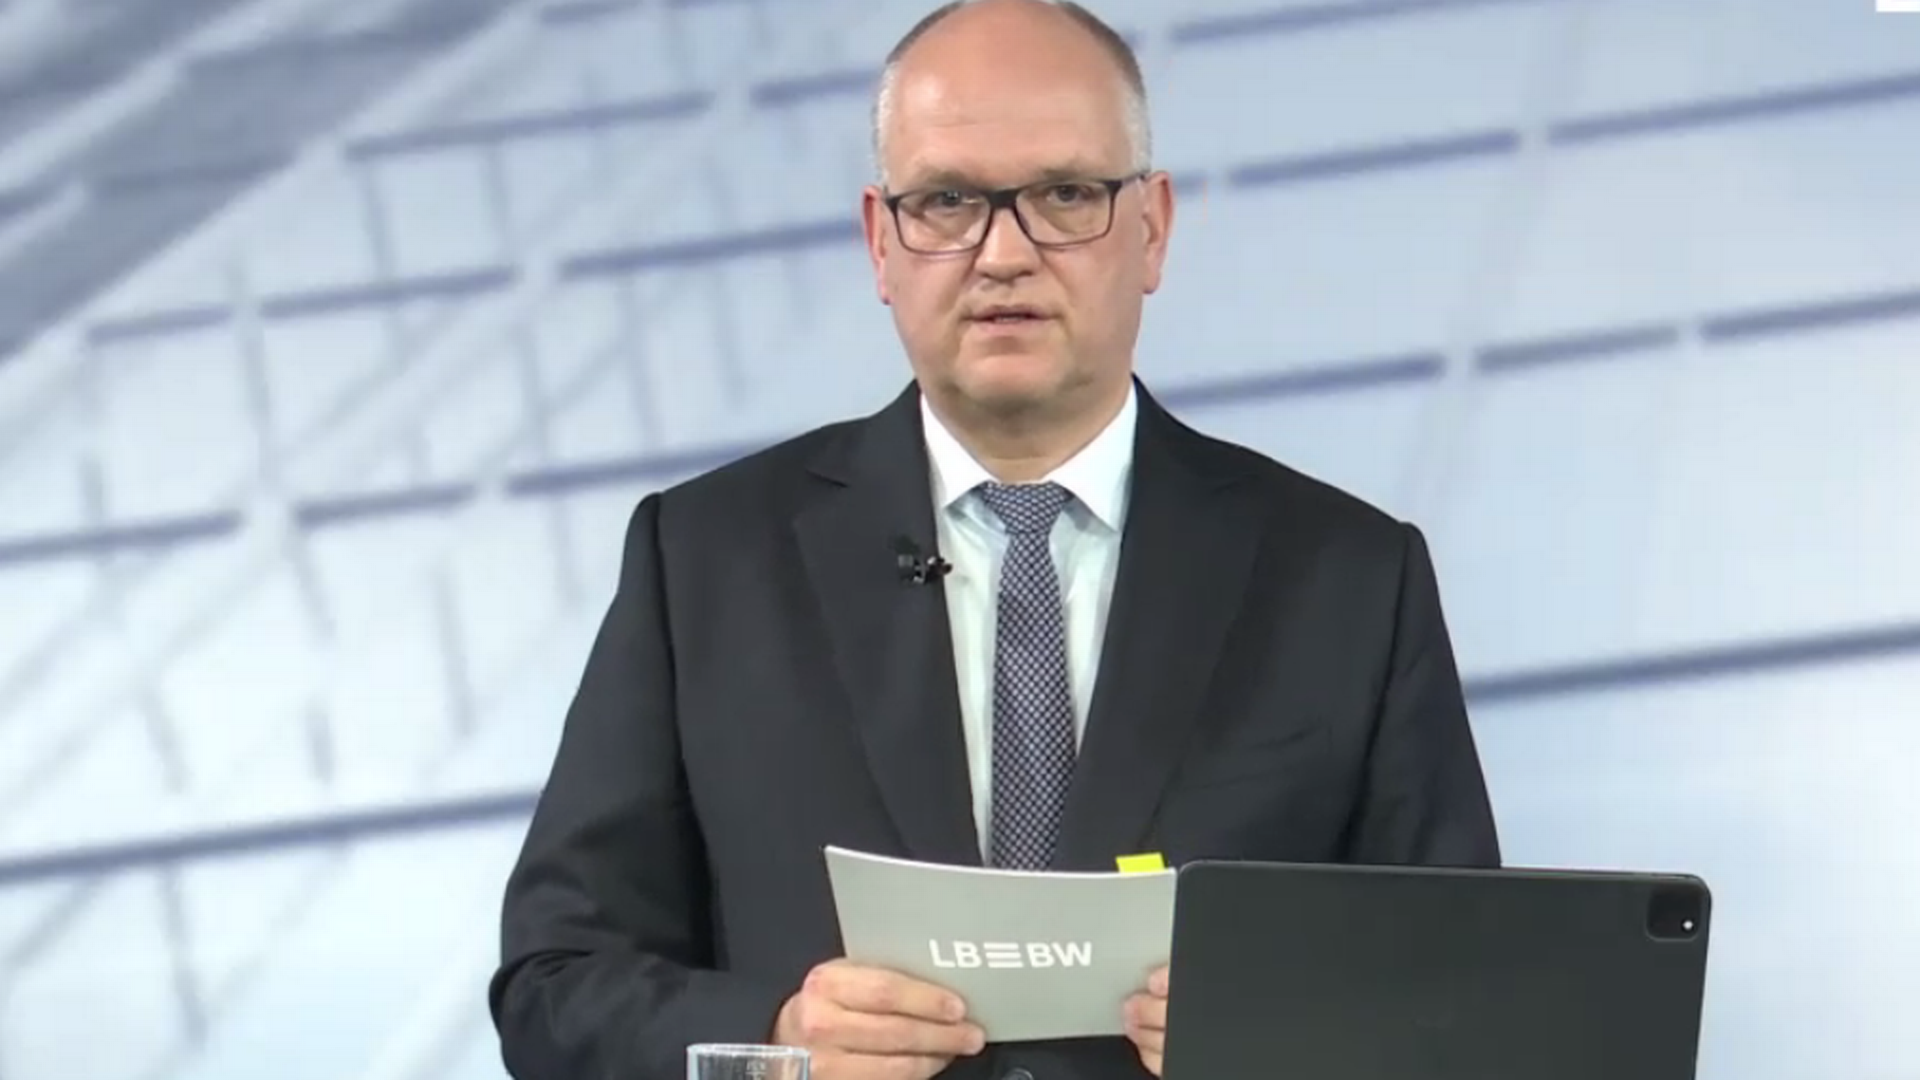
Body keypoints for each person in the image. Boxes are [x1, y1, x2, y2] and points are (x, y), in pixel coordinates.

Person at [487, 1, 1500, 1078]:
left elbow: (1471, 997)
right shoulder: (701, 562)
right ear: (881, 242)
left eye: (1065, 194)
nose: (1003, 253)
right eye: (948, 201)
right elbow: (556, 986)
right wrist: (781, 1037)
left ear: (1151, 228)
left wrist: (1293, 1039)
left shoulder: (1348, 577)